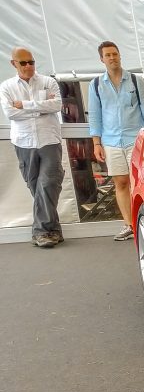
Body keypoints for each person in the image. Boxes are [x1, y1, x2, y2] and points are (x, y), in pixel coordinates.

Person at [89, 40, 144, 241]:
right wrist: (96, 143)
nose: (112, 58)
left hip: (136, 139)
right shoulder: (96, 85)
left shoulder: (135, 81)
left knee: (140, 182)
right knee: (121, 182)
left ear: (120, 55)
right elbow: (95, 115)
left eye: (115, 54)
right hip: (111, 141)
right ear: (102, 59)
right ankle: (129, 225)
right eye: (108, 55)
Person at [1, 47, 64, 248]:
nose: (28, 66)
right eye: (23, 63)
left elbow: (56, 105)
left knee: (48, 183)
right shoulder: (7, 86)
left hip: (49, 140)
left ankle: (41, 232)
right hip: (24, 141)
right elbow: (11, 114)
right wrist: (40, 106)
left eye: (31, 62)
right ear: (14, 64)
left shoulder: (48, 81)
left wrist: (26, 105)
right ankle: (53, 229)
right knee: (35, 185)